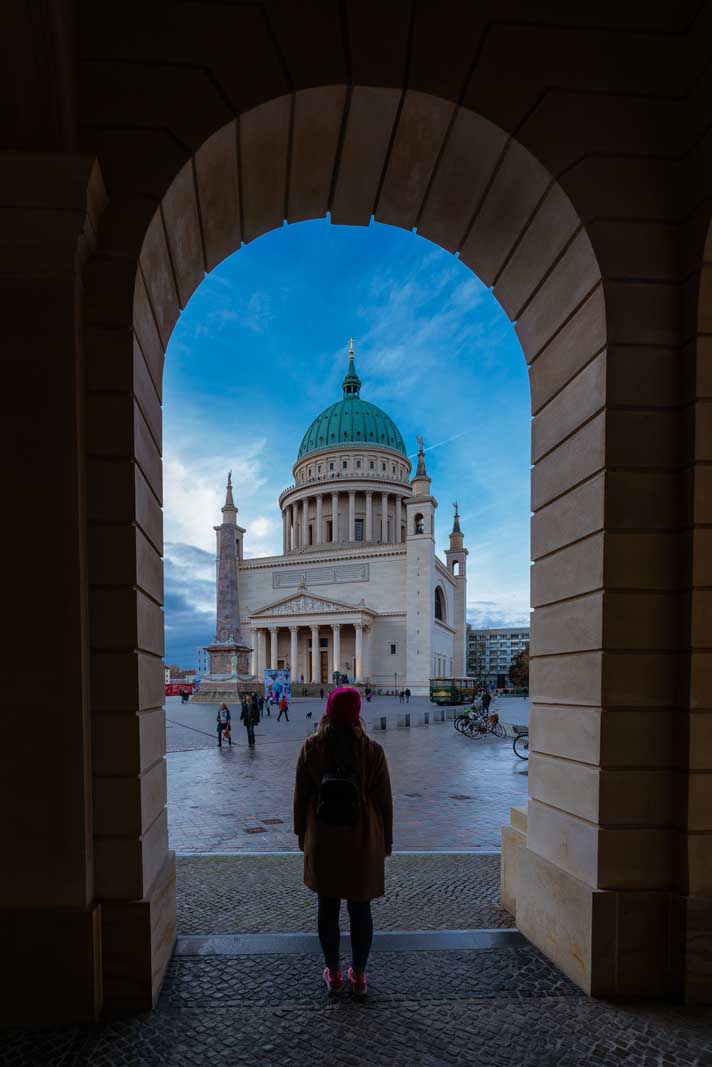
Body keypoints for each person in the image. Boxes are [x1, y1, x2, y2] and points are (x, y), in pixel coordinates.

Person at [294, 687, 393, 999]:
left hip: (324, 839)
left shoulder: (311, 747)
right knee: (360, 910)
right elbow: (384, 801)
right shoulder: (373, 751)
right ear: (357, 715)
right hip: (362, 839)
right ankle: (359, 975)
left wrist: (302, 835)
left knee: (327, 910)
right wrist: (386, 840)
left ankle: (334, 974)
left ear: (327, 711)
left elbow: (300, 798)